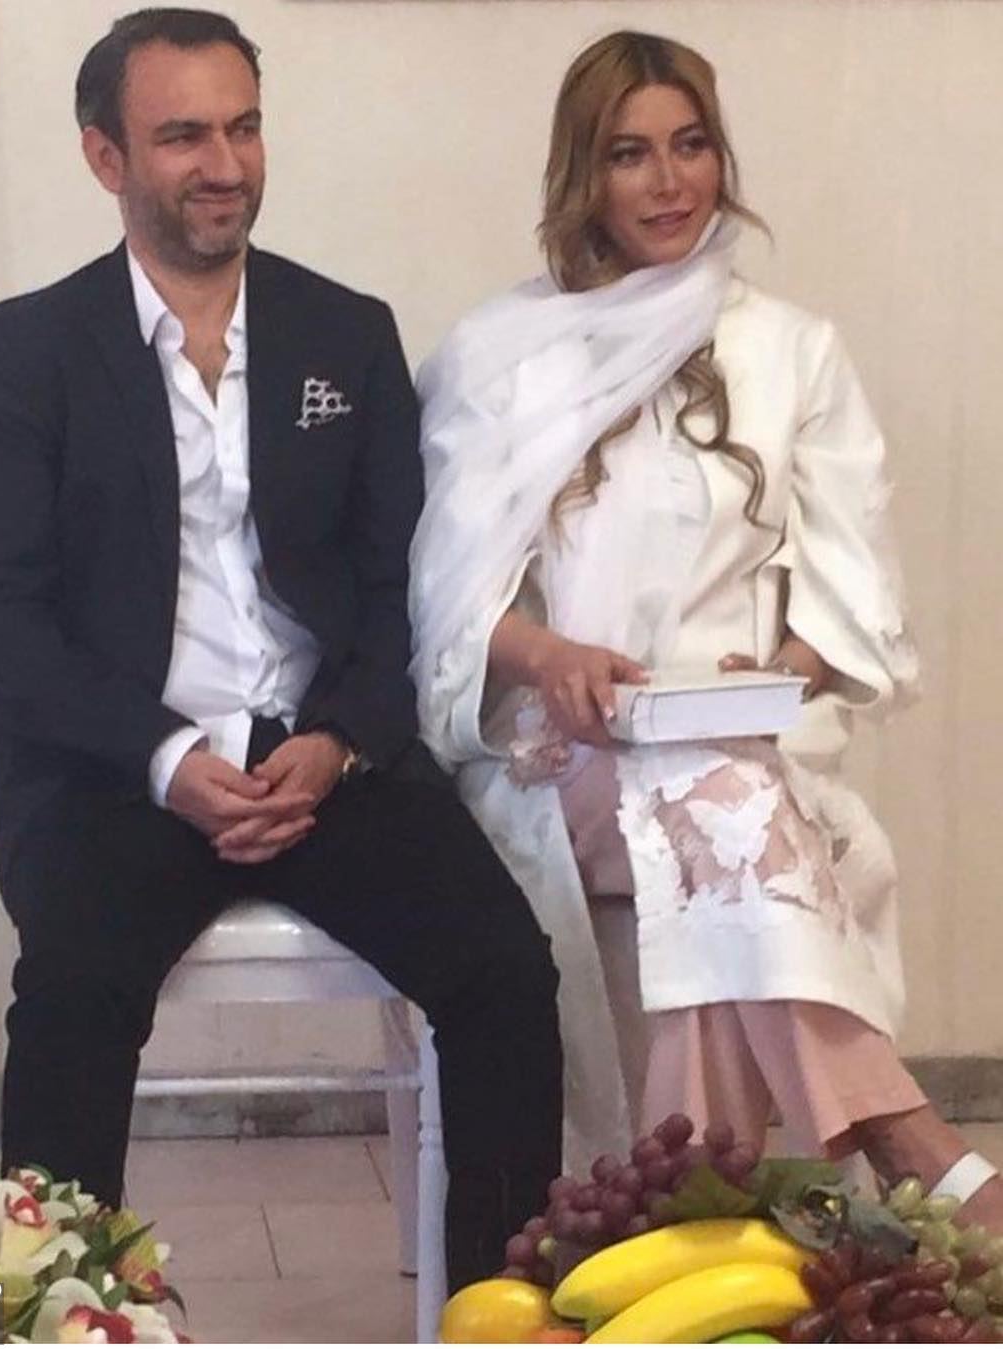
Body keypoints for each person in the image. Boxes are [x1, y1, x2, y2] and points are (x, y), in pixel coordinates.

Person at [0, 7, 563, 1290]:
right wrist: (166, 758)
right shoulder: (25, 352)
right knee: (69, 1004)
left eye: (244, 127)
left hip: (325, 761)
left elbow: (398, 589)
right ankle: (28, 1321)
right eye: (183, 136)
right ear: (105, 157)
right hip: (118, 770)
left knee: (506, 973)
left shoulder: (347, 333)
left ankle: (506, 1311)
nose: (224, 164)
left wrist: (338, 740)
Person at [409, 29, 1003, 1227]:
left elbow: (854, 591)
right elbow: (447, 601)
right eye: (630, 153)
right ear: (583, 172)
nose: (669, 180)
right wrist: (553, 658)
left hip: (744, 754)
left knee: (707, 815)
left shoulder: (791, 350)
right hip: (556, 758)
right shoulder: (500, 354)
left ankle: (690, 1205)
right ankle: (909, 1137)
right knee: (712, 804)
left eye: (691, 146)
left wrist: (777, 669)